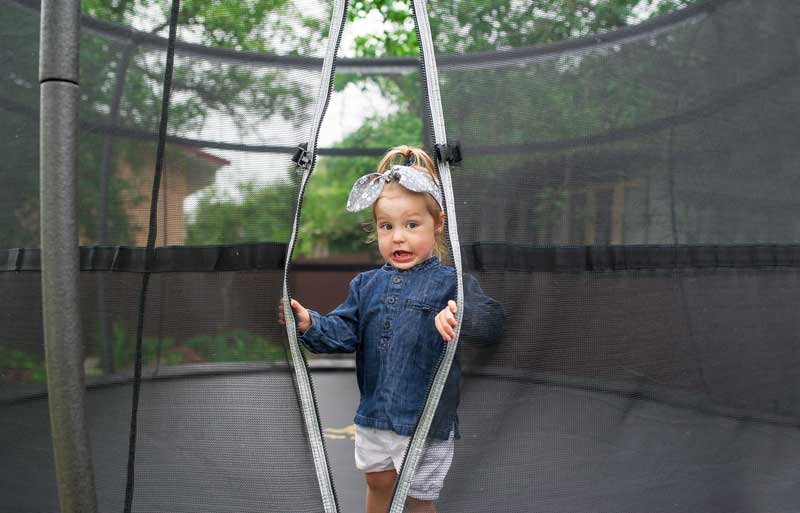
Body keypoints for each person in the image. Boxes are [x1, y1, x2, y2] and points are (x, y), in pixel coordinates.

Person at [284, 145, 503, 513]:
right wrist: (310, 322)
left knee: (417, 501)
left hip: (424, 422)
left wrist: (460, 317)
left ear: (438, 225)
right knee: (378, 482)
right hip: (373, 417)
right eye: (387, 226)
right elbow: (342, 330)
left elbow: (495, 322)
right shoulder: (365, 285)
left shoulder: (452, 284)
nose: (398, 237)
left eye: (411, 225)